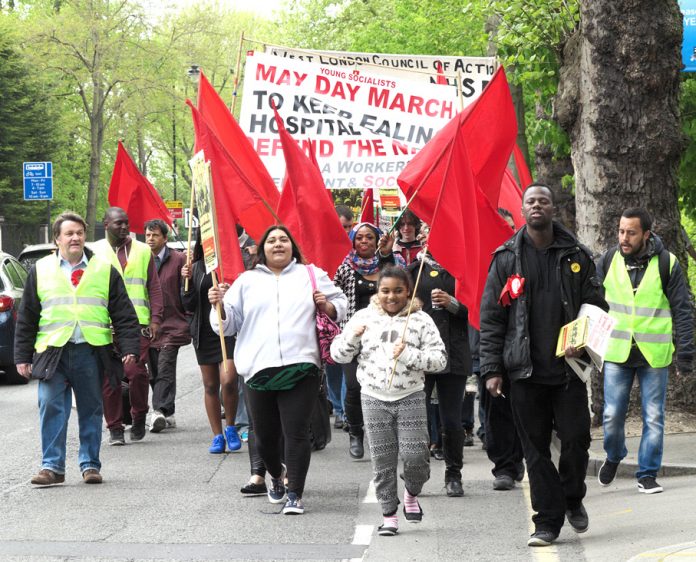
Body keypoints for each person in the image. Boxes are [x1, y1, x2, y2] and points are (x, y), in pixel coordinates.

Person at [480, 184, 608, 547]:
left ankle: (572, 497)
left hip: (567, 371)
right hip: (523, 373)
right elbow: (491, 319)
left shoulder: (577, 255)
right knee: (534, 450)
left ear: (554, 208)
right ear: (522, 210)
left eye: (544, 201)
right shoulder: (505, 258)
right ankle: (547, 522)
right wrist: (491, 369)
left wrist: (587, 332)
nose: (537, 206)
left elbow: (598, 304)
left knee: (577, 439)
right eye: (531, 201)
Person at [209, 225, 347, 515]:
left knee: (296, 432)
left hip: (302, 366)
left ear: (292, 246)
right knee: (265, 436)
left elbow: (340, 303)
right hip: (258, 369)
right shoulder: (247, 281)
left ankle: (295, 492)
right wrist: (219, 307)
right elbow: (228, 325)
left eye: (284, 239)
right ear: (263, 249)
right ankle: (276, 473)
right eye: (271, 240)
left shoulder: (311, 274)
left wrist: (329, 307)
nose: (278, 244)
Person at [14, 212, 140, 485]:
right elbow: (27, 317)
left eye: (80, 233)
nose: (75, 237)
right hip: (52, 352)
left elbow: (124, 313)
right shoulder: (41, 270)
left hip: (91, 351)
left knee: (91, 409)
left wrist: (130, 346)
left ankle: (90, 465)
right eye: (69, 233)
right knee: (50, 406)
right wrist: (22, 356)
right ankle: (52, 467)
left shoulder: (104, 269)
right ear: (57, 239)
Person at [331, 266, 446, 536]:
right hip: (373, 397)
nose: (391, 297)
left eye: (398, 291)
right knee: (383, 461)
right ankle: (389, 515)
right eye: (385, 291)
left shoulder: (421, 320)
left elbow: (440, 360)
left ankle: (411, 493)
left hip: (411, 396)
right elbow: (339, 356)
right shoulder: (363, 317)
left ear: (408, 292)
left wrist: (409, 355)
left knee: (416, 457)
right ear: (377, 292)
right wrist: (352, 337)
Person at [596, 208, 693, 494]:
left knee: (653, 416)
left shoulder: (667, 263)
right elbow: (590, 302)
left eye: (631, 232)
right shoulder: (608, 260)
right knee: (612, 415)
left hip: (654, 353)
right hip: (617, 351)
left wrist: (686, 353)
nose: (624, 238)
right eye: (621, 231)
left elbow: (683, 310)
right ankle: (614, 455)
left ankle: (647, 473)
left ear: (646, 234)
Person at [408, 224, 471, 497]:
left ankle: (453, 474)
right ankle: (416, 473)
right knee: (416, 418)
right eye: (429, 233)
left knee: (451, 420)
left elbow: (478, 309)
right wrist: (410, 306)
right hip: (420, 355)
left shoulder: (462, 269)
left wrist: (452, 303)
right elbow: (393, 305)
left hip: (453, 353)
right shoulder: (413, 271)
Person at [93, 207, 163, 445]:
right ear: (106, 225)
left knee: (135, 372)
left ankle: (139, 415)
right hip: (104, 323)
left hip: (138, 324)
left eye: (126, 223)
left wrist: (156, 319)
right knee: (109, 377)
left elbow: (153, 286)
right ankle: (114, 428)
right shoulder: (93, 251)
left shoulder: (143, 250)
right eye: (118, 224)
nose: (124, 228)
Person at [333, 222, 403, 459]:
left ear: (377, 241)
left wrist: (387, 253)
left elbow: (398, 281)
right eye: (359, 238)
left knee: (382, 386)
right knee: (353, 387)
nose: (364, 242)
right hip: (354, 336)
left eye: (370, 238)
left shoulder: (387, 266)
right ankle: (355, 433)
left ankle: (382, 435)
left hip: (383, 338)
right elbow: (333, 297)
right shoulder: (344, 268)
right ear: (352, 241)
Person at [181, 233, 241, 454]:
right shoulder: (195, 268)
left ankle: (232, 426)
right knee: (210, 385)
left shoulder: (232, 265)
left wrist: (228, 294)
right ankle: (217, 435)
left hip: (228, 332)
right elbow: (187, 303)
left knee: (229, 380)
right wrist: (186, 282)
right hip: (204, 333)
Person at [479, 208, 525, 491]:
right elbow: (488, 314)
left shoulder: (523, 257)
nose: (504, 231)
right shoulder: (488, 257)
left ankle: (519, 459)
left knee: (525, 411)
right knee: (496, 410)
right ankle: (504, 467)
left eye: (508, 226)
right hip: (492, 347)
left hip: (525, 350)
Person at [144, 219, 190, 433]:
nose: (150, 239)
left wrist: (187, 277)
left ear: (165, 237)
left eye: (154, 235)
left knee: (165, 367)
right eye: (147, 235)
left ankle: (158, 411)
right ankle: (168, 412)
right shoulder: (143, 260)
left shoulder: (179, 259)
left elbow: (186, 292)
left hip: (173, 324)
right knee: (154, 372)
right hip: (152, 325)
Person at [326, 205, 355, 428]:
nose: (344, 231)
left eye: (348, 227)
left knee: (347, 363)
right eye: (340, 227)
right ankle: (336, 405)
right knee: (332, 365)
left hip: (349, 319)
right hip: (327, 318)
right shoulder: (323, 246)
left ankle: (345, 411)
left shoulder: (357, 249)